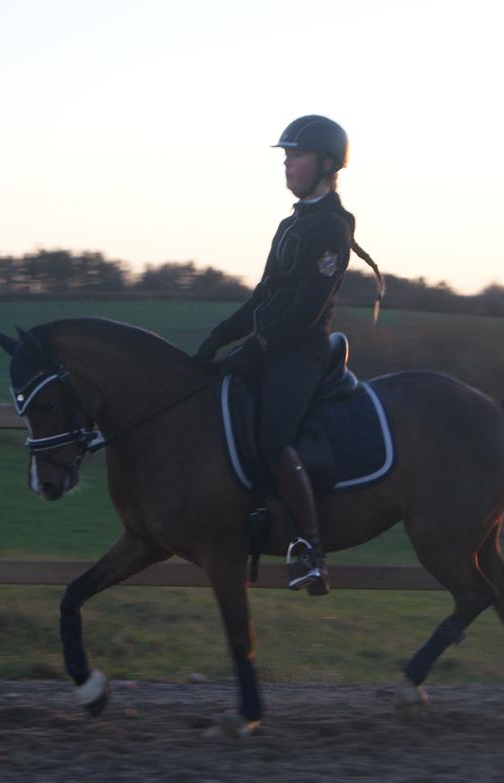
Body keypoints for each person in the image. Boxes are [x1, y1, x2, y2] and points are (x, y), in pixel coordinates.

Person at [193, 115, 366, 596]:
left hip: (302, 352)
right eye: (286, 156)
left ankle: (311, 550)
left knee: (273, 441)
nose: (287, 164)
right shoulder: (292, 224)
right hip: (271, 345)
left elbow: (305, 310)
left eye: (296, 155)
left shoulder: (331, 227)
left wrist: (257, 347)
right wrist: (218, 338)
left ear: (326, 164)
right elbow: (262, 298)